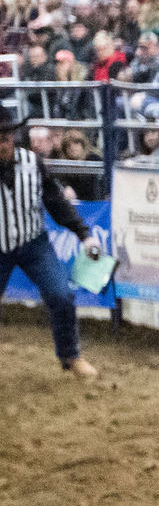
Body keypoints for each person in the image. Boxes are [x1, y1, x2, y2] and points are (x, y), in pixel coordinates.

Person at [0, 107, 100, 380]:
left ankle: (71, 357)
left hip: (33, 242)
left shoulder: (32, 164)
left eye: (5, 138)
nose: (2, 146)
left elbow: (56, 202)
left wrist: (84, 233)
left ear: (13, 138)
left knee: (61, 294)